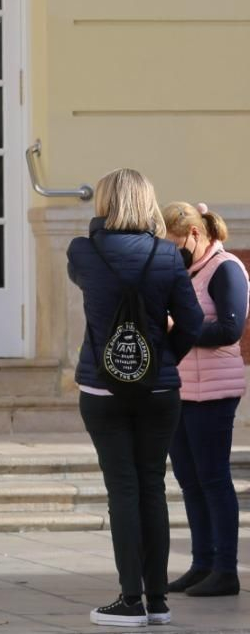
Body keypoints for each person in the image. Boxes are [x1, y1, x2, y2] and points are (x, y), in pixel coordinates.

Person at [68, 168, 203, 627]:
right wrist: (163, 358)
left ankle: (129, 600)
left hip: (102, 388)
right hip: (160, 390)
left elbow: (82, 270)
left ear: (104, 203)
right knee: (153, 488)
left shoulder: (84, 251)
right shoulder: (168, 256)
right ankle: (158, 600)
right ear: (148, 203)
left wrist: (98, 227)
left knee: (122, 489)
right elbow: (192, 324)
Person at [160, 201, 245, 599]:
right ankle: (202, 563)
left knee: (213, 479)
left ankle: (226, 569)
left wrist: (180, 327)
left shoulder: (225, 268)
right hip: (183, 390)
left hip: (214, 392)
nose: (173, 252)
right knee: (190, 481)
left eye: (176, 244)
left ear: (195, 234)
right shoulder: (187, 271)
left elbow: (229, 330)